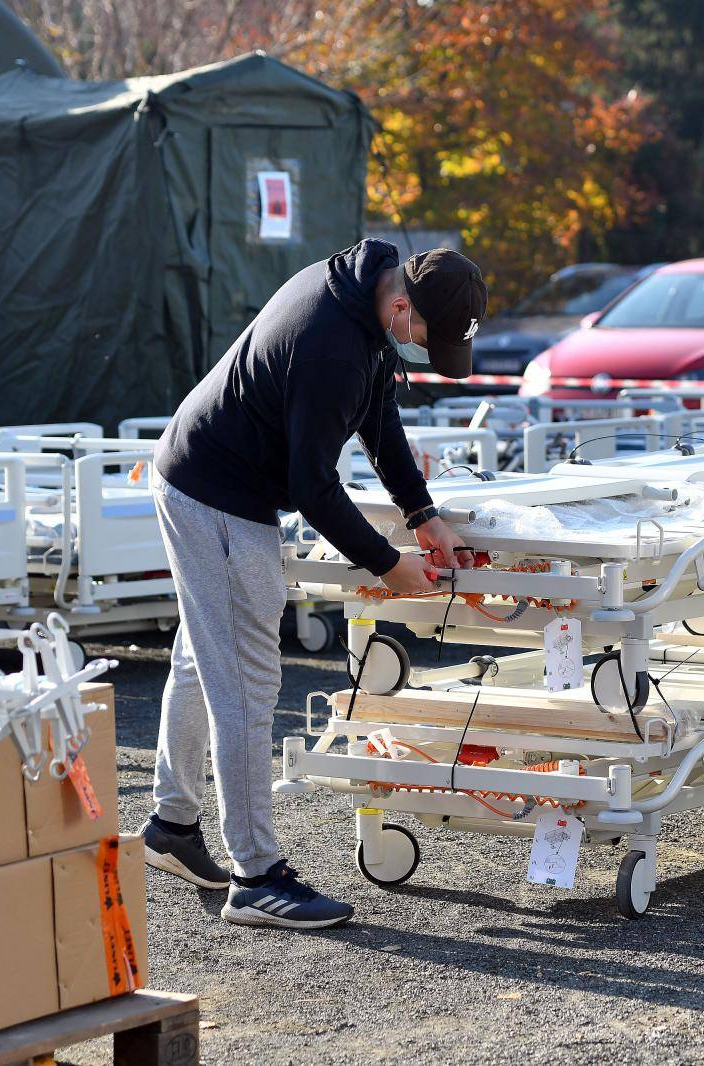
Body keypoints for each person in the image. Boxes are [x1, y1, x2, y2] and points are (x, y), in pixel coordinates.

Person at [141, 238, 484, 929]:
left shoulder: (363, 296)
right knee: (244, 682)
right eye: (423, 337)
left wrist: (423, 515)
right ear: (399, 304)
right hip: (218, 495)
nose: (420, 350)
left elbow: (377, 415)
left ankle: (171, 825)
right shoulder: (331, 342)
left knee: (200, 659)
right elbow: (314, 487)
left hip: (196, 471)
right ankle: (256, 877)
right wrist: (389, 567)